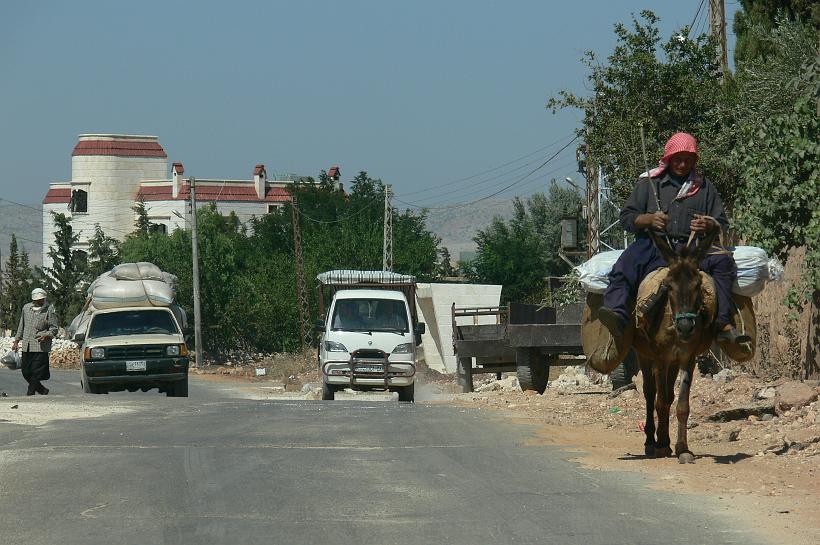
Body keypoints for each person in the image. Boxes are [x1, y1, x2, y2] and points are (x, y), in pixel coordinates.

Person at [597, 132, 747, 345]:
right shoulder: (650, 184)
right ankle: (618, 315)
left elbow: (721, 222)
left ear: (695, 160)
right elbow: (627, 218)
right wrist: (649, 219)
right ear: (668, 159)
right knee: (624, 265)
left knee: (724, 263)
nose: (682, 164)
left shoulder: (704, 188)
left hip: (693, 250)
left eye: (688, 159)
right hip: (654, 246)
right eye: (678, 159)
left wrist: (709, 224)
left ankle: (722, 323)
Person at [12, 288, 58, 395]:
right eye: (37, 299)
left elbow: (54, 328)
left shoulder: (49, 310)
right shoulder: (26, 308)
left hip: (40, 346)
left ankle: (30, 392)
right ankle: (42, 389)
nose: (40, 301)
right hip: (27, 345)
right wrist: (16, 341)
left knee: (36, 372)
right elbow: (21, 325)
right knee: (25, 371)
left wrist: (47, 335)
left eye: (41, 299)